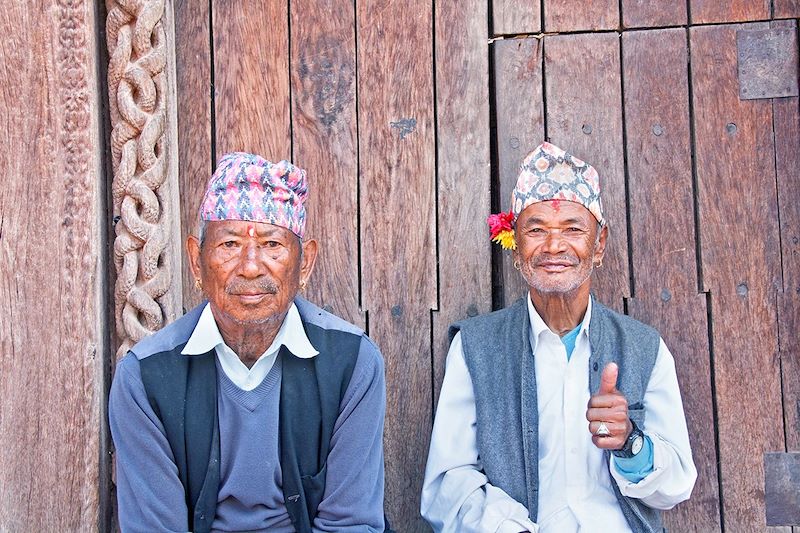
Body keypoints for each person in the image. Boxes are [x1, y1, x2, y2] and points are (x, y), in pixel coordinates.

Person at [420, 142, 696, 532]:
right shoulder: (476, 347)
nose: (554, 246)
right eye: (536, 230)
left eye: (572, 229)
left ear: (598, 245)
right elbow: (448, 483)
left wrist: (630, 443)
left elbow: (677, 484)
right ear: (515, 247)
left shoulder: (644, 348)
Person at [109, 152, 386, 533]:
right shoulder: (145, 377)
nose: (251, 266)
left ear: (304, 264)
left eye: (273, 244)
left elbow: (350, 523)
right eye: (229, 245)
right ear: (196, 260)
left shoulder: (353, 363)